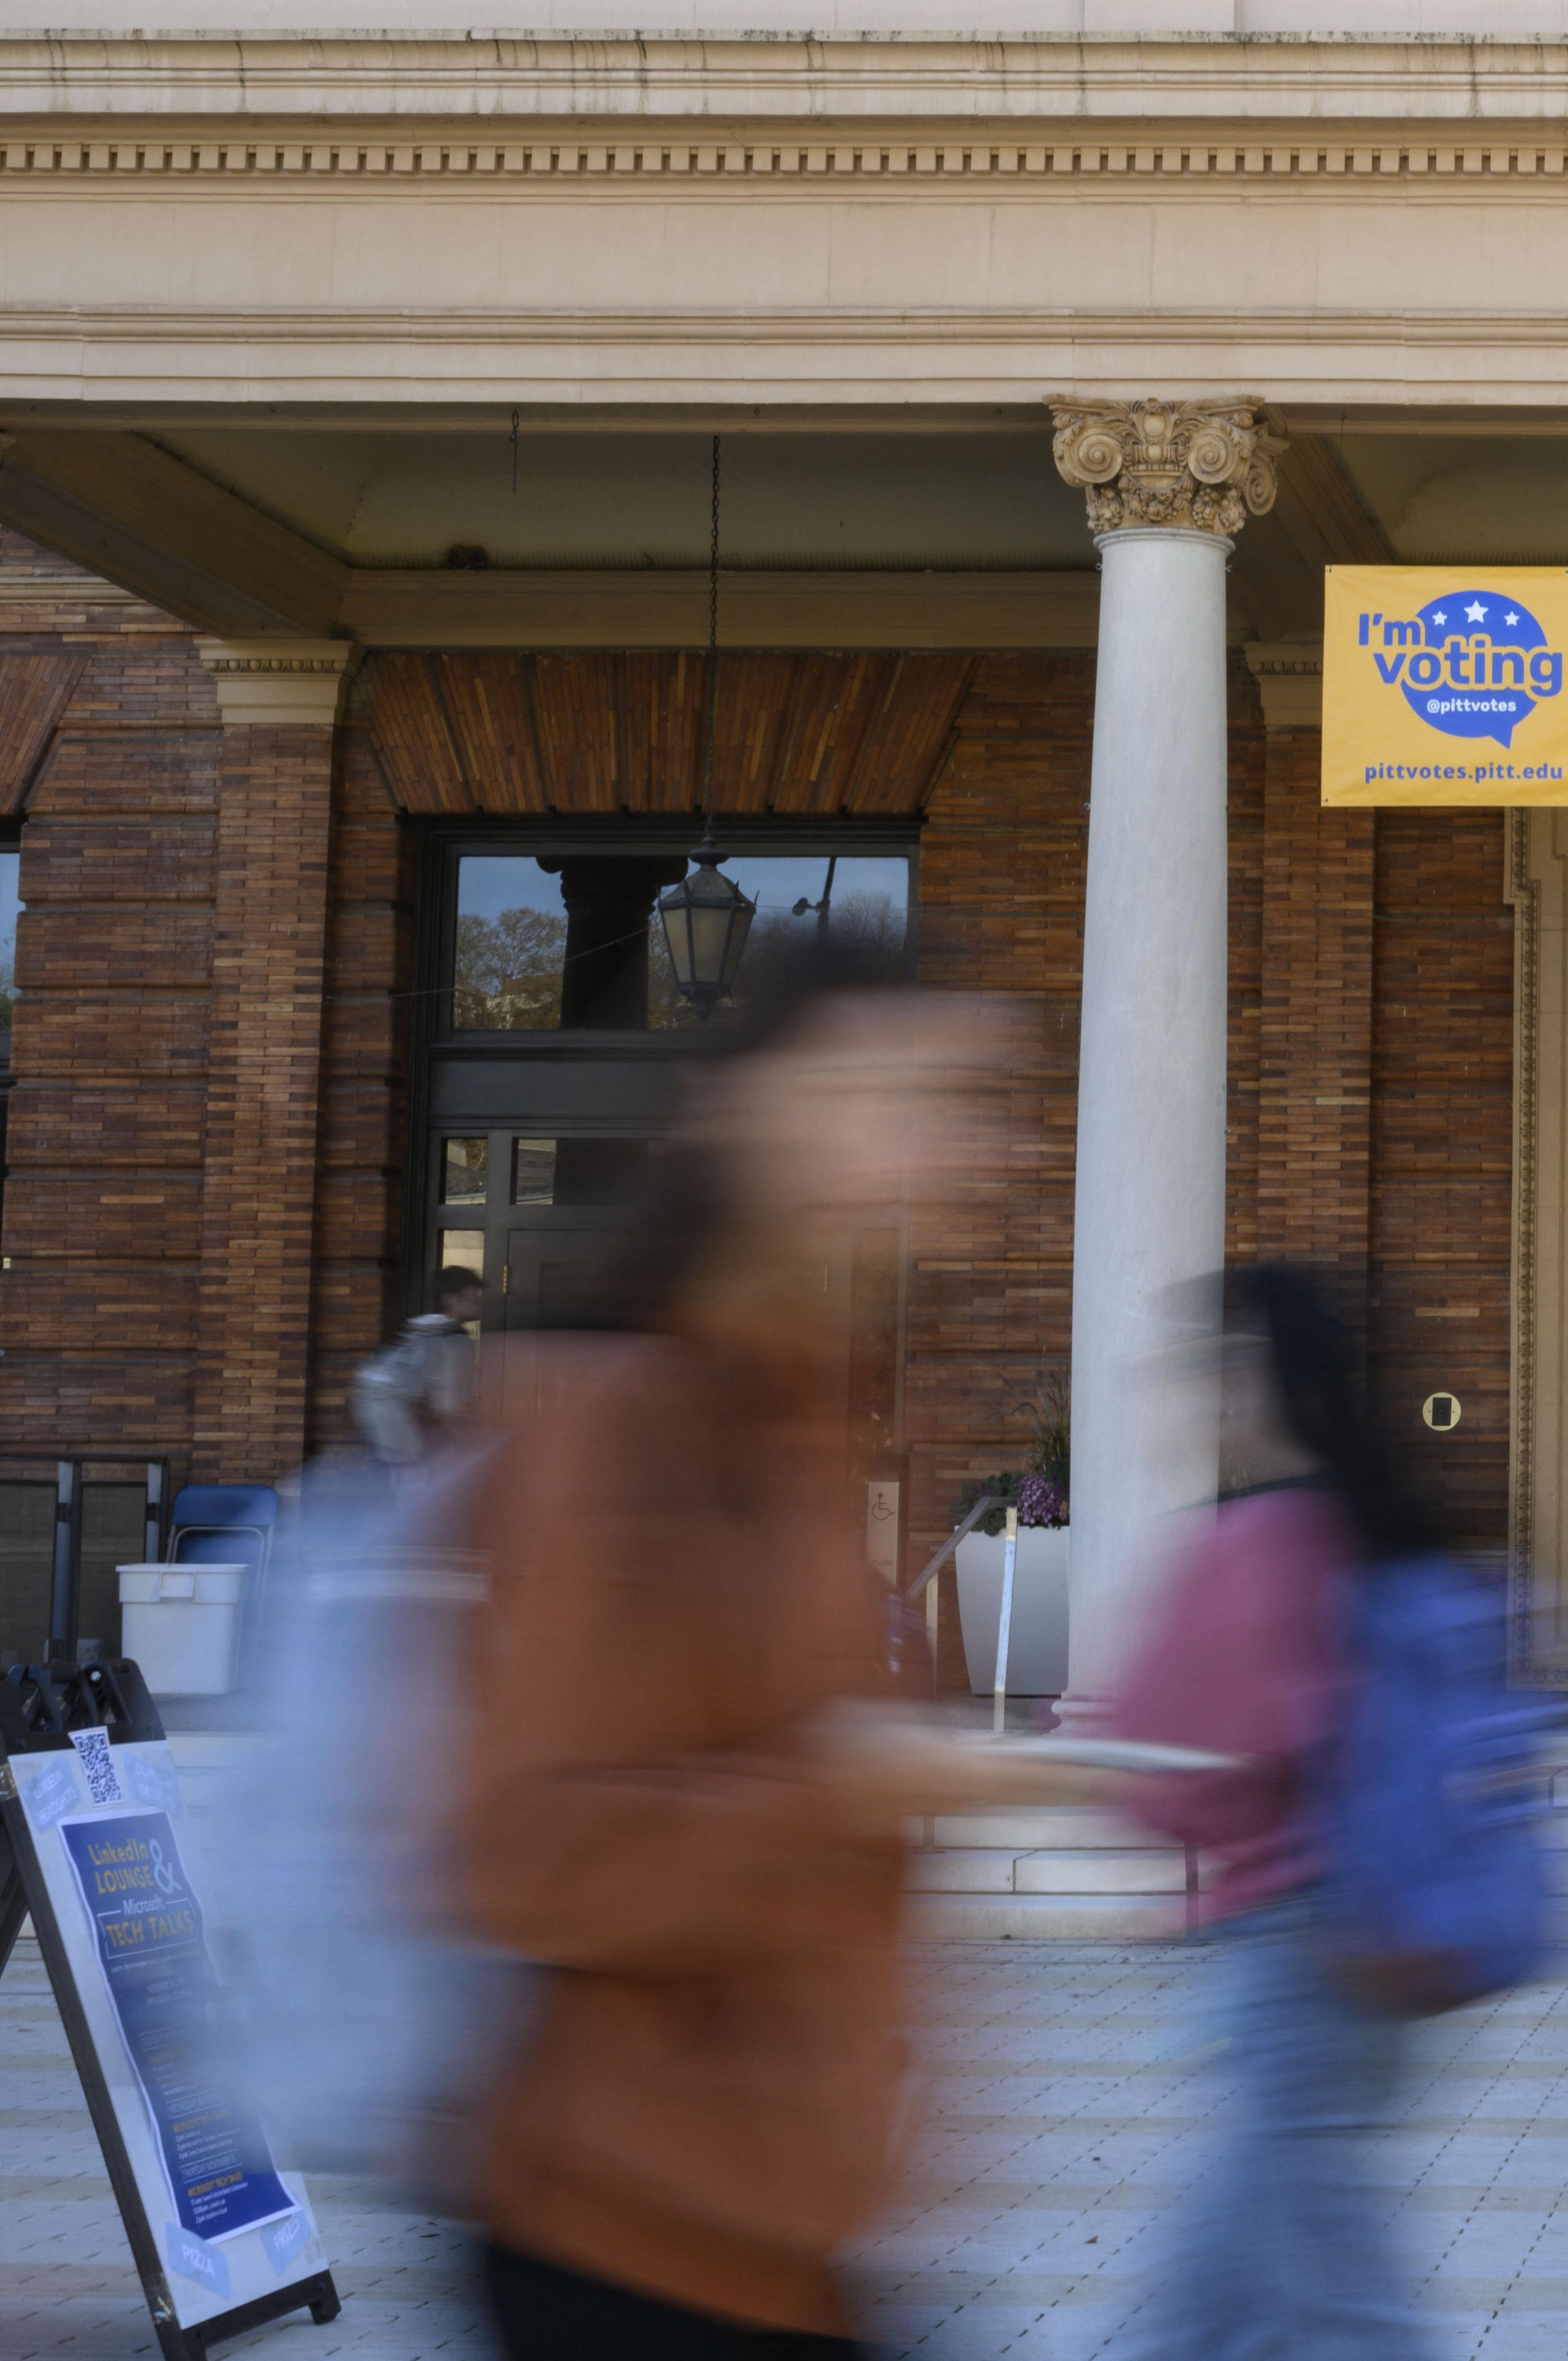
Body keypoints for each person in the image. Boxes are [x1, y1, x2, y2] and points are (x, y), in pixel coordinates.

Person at [456, 957, 1092, 2360]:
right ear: (750, 1120)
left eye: (973, 1108)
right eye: (897, 1098)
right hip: (631, 2240)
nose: (967, 1146)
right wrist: (848, 1791)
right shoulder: (626, 1428)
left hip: (794, 2245)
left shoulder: (800, 1421)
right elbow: (524, 1850)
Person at [1108, 1265, 1457, 2361]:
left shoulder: (1258, 1539)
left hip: (1298, 1953)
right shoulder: (1356, 1522)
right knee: (1236, 2292)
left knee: (1321, 2292)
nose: (1195, 1396)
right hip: (1355, 1944)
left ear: (1261, 1382)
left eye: (1214, 1370)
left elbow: (1173, 1748)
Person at [351, 1262, 484, 1468]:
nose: (480, 1301)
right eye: (474, 1295)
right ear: (452, 1300)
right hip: (414, 1443)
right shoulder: (455, 1340)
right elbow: (449, 1405)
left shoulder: (420, 1331)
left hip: (389, 1436)